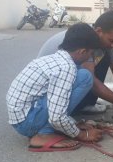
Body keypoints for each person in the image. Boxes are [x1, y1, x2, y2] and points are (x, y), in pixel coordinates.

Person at [6, 23, 103, 152]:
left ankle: (51, 128)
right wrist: (81, 134)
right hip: (27, 123)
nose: (90, 57)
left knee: (80, 75)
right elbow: (56, 117)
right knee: (85, 77)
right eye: (90, 53)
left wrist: (73, 123)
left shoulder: (54, 59)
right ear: (82, 51)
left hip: (21, 117)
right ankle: (44, 134)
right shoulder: (66, 68)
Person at [37, 11, 113, 116]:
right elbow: (92, 81)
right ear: (99, 31)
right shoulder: (84, 40)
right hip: (45, 92)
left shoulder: (101, 40)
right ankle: (70, 110)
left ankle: (86, 104)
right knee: (86, 76)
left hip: (60, 80)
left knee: (105, 57)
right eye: (112, 41)